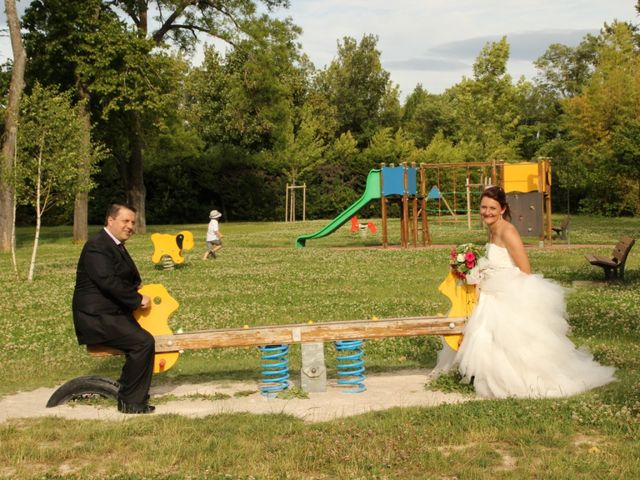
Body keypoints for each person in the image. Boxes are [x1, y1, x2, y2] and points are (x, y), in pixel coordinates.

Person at [434, 186, 615, 398]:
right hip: (490, 291)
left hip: (507, 293)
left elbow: (525, 270)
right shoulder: (492, 229)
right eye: (483, 207)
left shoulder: (507, 231)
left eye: (492, 208)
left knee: (509, 342)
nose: (487, 212)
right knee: (483, 335)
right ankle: (483, 375)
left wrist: (489, 275)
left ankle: (514, 381)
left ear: (502, 209)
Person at [72, 203, 156, 414]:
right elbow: (107, 281)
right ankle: (132, 402)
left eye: (133, 222)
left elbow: (123, 277)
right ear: (110, 221)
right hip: (98, 318)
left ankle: (128, 392)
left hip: (112, 313)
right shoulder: (97, 246)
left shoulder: (113, 244)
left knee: (143, 341)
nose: (130, 226)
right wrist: (137, 300)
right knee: (143, 343)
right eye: (125, 221)